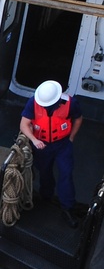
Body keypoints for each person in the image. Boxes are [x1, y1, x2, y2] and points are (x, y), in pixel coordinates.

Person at [19, 80, 83, 228]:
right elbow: (24, 124)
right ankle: (46, 198)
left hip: (62, 144)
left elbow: (78, 119)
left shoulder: (71, 103)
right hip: (42, 146)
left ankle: (68, 208)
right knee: (44, 172)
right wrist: (34, 140)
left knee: (66, 173)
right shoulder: (33, 102)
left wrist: (71, 137)